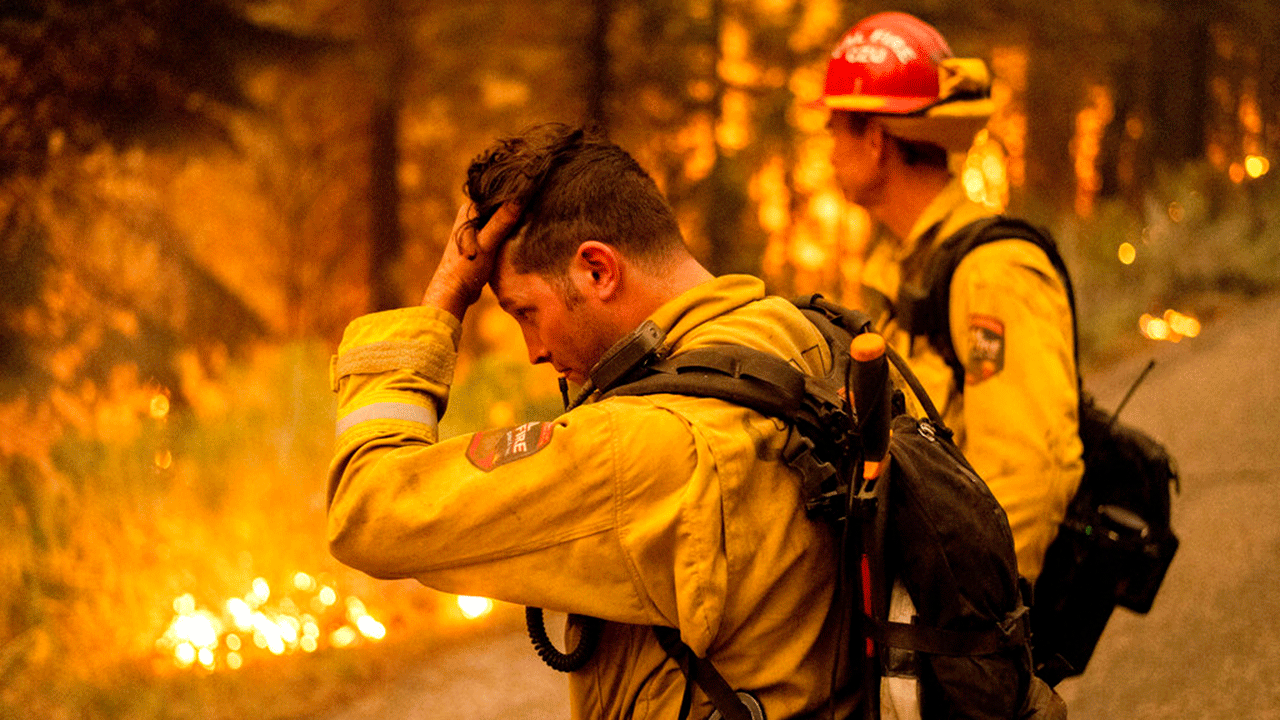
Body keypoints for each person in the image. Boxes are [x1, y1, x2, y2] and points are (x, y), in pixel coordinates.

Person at [326, 124, 853, 719]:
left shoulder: (638, 445)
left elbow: (369, 510)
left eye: (526, 311)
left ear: (597, 271)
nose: (533, 351)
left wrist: (446, 295)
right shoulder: (806, 340)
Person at [814, 11, 1084, 583]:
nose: (829, 145)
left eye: (836, 124)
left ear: (877, 139)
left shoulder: (992, 271)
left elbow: (1026, 470)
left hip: (968, 609)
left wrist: (976, 630)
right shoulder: (902, 267)